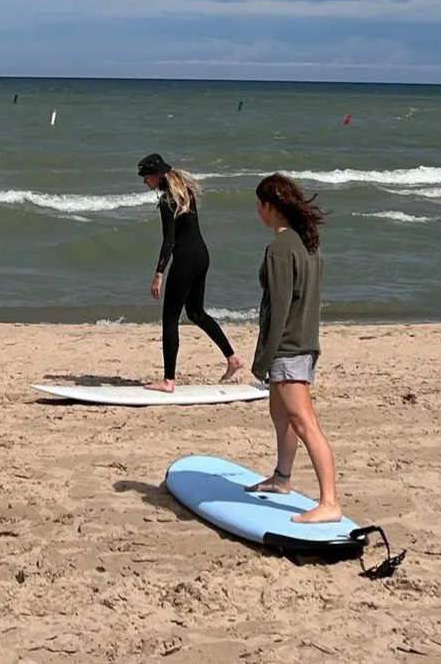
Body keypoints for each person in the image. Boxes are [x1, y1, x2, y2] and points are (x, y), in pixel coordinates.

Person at [244, 173, 341, 523]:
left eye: (259, 204)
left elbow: (280, 308)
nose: (257, 210)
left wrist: (263, 360)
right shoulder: (308, 244)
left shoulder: (280, 249)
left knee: (304, 422)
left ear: (271, 206)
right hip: (305, 343)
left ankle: (329, 502)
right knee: (280, 415)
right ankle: (282, 478)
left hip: (289, 347)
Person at [136, 153, 243, 392]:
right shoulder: (185, 192)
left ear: (157, 175)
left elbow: (169, 241)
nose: (144, 182)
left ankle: (168, 381)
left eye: (145, 177)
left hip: (184, 259)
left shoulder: (167, 199)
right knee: (196, 313)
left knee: (170, 318)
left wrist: (158, 273)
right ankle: (232, 358)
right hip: (202, 256)